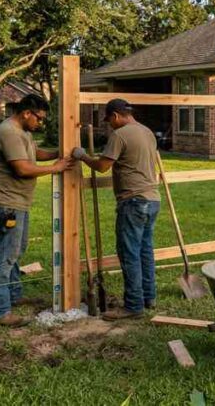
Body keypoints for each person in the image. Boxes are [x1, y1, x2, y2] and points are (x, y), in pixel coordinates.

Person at [0, 94, 73, 327]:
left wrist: (57, 154)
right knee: (5, 257)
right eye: (39, 118)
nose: (40, 123)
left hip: (16, 202)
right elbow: (22, 168)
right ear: (26, 113)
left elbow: (33, 153)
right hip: (5, 204)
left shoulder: (24, 133)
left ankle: (13, 296)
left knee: (16, 250)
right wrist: (55, 168)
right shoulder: (9, 132)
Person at [74, 99, 160, 320]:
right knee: (145, 251)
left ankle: (133, 306)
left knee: (129, 253)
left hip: (133, 201)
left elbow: (103, 166)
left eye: (109, 121)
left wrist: (82, 156)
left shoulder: (120, 135)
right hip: (152, 200)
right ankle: (148, 297)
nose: (109, 125)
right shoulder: (146, 131)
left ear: (115, 116)